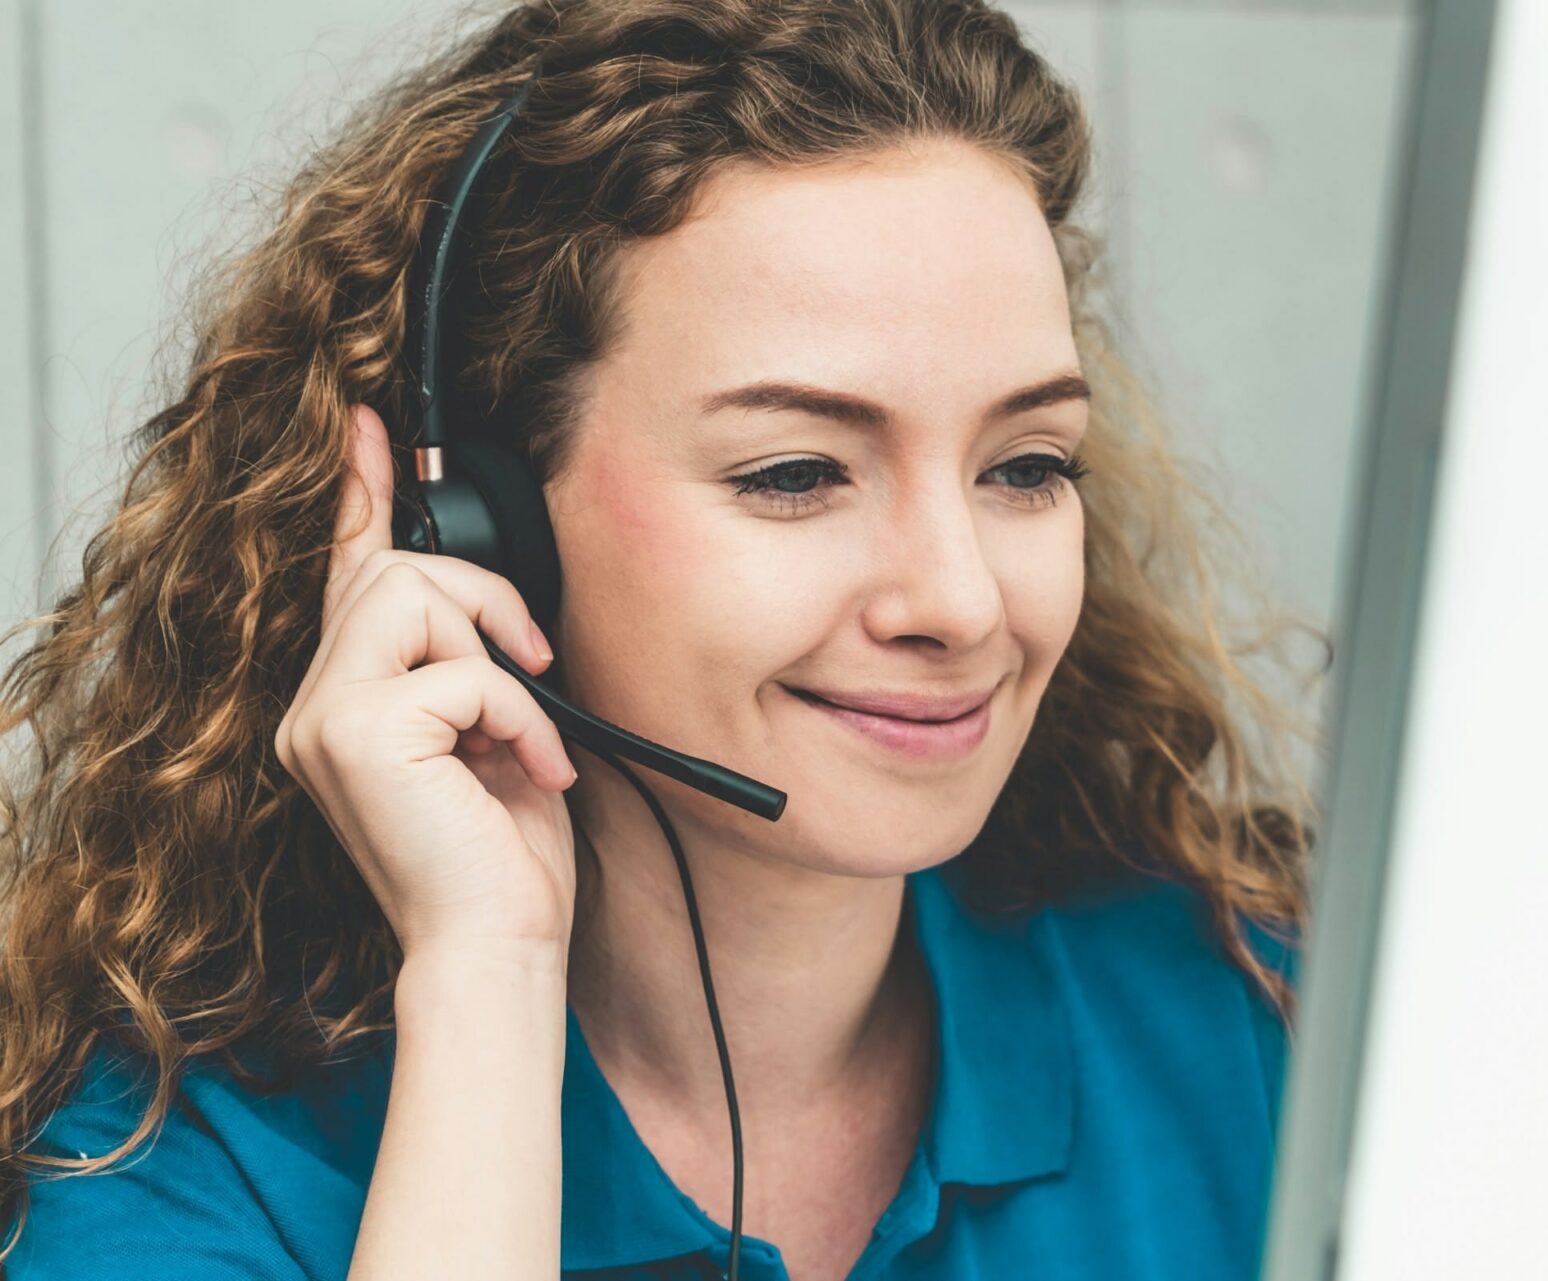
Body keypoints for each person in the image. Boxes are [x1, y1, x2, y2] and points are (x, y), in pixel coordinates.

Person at [0, 1, 1323, 1277]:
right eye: (797, 472)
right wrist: (486, 981)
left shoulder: (1272, 1037)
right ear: (473, 526)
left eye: (1028, 465)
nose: (963, 601)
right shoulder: (178, 1163)